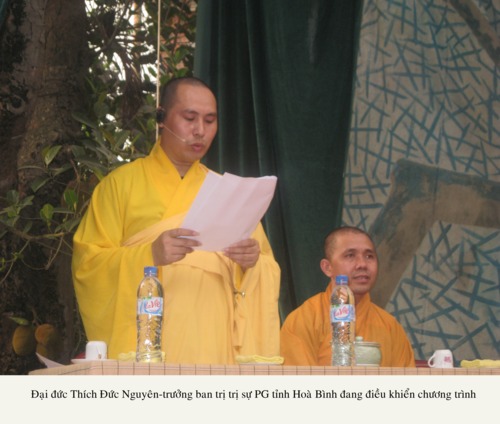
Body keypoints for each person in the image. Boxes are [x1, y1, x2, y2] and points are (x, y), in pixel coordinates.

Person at [72, 76, 281, 364]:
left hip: (213, 345)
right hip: (146, 350)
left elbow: (266, 266)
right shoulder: (120, 186)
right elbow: (88, 266)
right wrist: (149, 255)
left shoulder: (228, 192)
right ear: (162, 118)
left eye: (210, 121)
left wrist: (251, 262)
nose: (200, 131)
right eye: (189, 118)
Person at [280, 226, 415, 367]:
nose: (362, 264)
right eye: (350, 255)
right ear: (327, 267)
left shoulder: (390, 327)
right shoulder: (305, 319)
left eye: (369, 256)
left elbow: (406, 379)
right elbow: (298, 379)